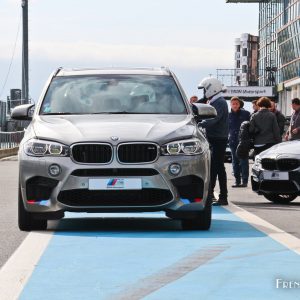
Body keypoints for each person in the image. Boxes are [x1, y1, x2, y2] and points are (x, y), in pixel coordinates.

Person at [198, 77, 229, 206]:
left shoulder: (220, 102)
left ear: (212, 88)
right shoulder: (215, 101)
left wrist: (199, 123)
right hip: (215, 138)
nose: (204, 92)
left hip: (218, 139)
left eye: (205, 89)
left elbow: (214, 120)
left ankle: (222, 196)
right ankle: (214, 195)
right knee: (216, 167)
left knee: (217, 168)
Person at [228, 97, 250, 188]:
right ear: (231, 104)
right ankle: (237, 181)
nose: (235, 105)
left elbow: (250, 127)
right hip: (233, 141)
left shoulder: (246, 114)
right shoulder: (228, 115)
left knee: (244, 161)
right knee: (235, 161)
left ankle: (244, 181)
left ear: (239, 104)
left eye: (236, 104)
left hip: (243, 141)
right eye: (233, 104)